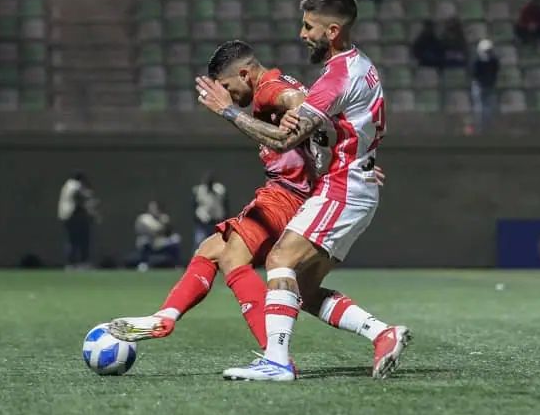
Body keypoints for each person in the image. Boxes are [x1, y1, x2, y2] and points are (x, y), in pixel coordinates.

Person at [109, 41, 393, 372]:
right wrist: (350, 161)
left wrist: (230, 110)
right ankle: (166, 317)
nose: (228, 95)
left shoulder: (269, 89)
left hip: (289, 193)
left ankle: (276, 357)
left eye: (229, 86)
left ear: (245, 73)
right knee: (220, 252)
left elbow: (304, 107)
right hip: (291, 192)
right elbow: (321, 124)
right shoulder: (273, 90)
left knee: (232, 256)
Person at [196, 0, 411, 381]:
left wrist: (226, 111)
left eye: (309, 26)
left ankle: (277, 362)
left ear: (332, 31)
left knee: (280, 261)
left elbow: (282, 140)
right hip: (353, 182)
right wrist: (356, 157)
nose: (302, 33)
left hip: (344, 186)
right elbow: (335, 129)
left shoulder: (337, 77)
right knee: (306, 291)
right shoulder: (360, 65)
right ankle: (384, 334)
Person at [134, 201, 181, 269]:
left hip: (160, 242)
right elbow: (140, 230)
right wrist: (157, 230)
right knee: (143, 240)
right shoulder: (144, 218)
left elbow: (168, 232)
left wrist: (165, 225)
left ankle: (177, 264)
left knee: (176, 239)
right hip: (150, 241)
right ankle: (144, 263)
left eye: (155, 208)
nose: (153, 210)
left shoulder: (163, 217)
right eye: (151, 208)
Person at [192, 172, 228, 252]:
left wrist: (224, 219)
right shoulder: (199, 191)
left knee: (218, 243)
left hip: (217, 221)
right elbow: (194, 205)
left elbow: (225, 205)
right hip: (203, 222)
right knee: (199, 242)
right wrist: (197, 218)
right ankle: (196, 262)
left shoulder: (220, 190)